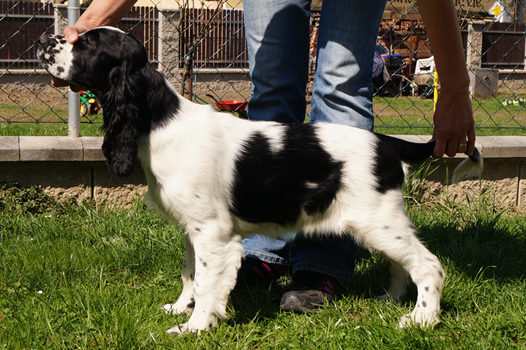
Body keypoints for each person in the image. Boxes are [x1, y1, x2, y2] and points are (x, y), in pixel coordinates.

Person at [56, 0, 475, 313]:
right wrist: (92, 21)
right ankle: (261, 257)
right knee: (271, 84)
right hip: (308, 165)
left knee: (343, 88)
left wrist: (454, 85)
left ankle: (355, 271)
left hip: (352, 163)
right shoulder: (184, 137)